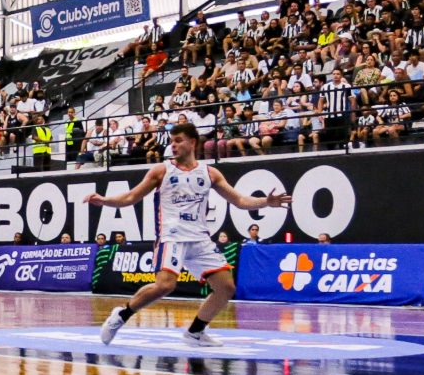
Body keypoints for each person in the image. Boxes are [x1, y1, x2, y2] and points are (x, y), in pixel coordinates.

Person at [86, 120, 286, 347]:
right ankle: (121, 315)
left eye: (178, 141)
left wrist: (266, 201)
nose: (173, 145)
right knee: (165, 285)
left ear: (192, 142)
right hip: (171, 237)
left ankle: (195, 332)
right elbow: (131, 197)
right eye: (171, 141)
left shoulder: (210, 173)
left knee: (226, 287)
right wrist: (105, 200)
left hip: (199, 239)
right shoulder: (161, 170)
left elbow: (239, 200)